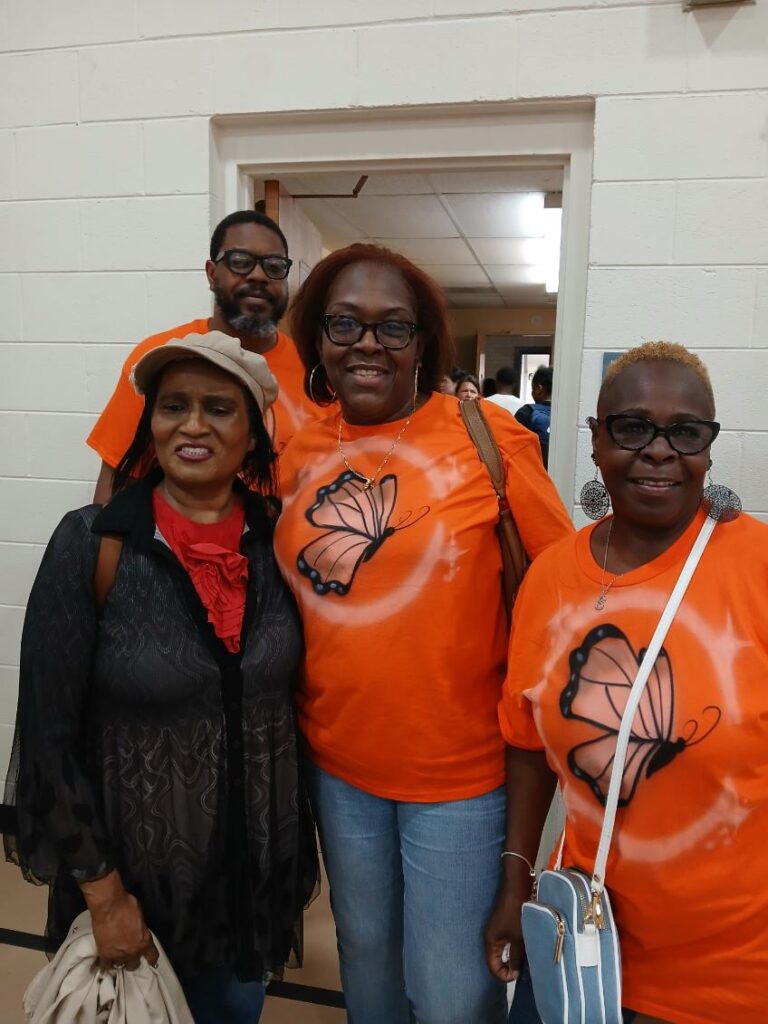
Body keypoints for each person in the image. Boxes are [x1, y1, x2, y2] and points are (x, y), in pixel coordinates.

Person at [273, 243, 574, 1024]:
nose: (367, 344)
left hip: (460, 778)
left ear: (423, 342)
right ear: (317, 339)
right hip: (337, 766)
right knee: (366, 961)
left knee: (449, 993)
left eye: (392, 326)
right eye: (345, 323)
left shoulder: (490, 440)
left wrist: (684, 529)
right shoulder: (297, 451)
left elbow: (570, 587)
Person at [5, 332, 318, 1024]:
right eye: (173, 406)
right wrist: (104, 895)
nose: (193, 425)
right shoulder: (92, 543)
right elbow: (48, 739)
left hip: (249, 889)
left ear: (253, 435)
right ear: (150, 425)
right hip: (135, 892)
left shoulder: (282, 542)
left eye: (219, 408)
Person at [485, 342, 768, 1024]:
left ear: (708, 447)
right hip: (577, 945)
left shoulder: (757, 569)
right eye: (633, 427)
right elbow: (527, 741)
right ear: (595, 438)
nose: (659, 451)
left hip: (730, 973)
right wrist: (514, 882)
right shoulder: (551, 578)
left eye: (685, 432)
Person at [88, 209, 324, 503]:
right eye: (240, 262)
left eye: (274, 266)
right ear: (212, 274)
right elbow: (115, 484)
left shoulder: (316, 371)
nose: (259, 275)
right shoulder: (161, 357)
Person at [515, 365, 552, 467]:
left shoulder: (526, 412)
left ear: (539, 388)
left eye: (533, 388)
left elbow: (513, 447)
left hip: (531, 471)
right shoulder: (565, 415)